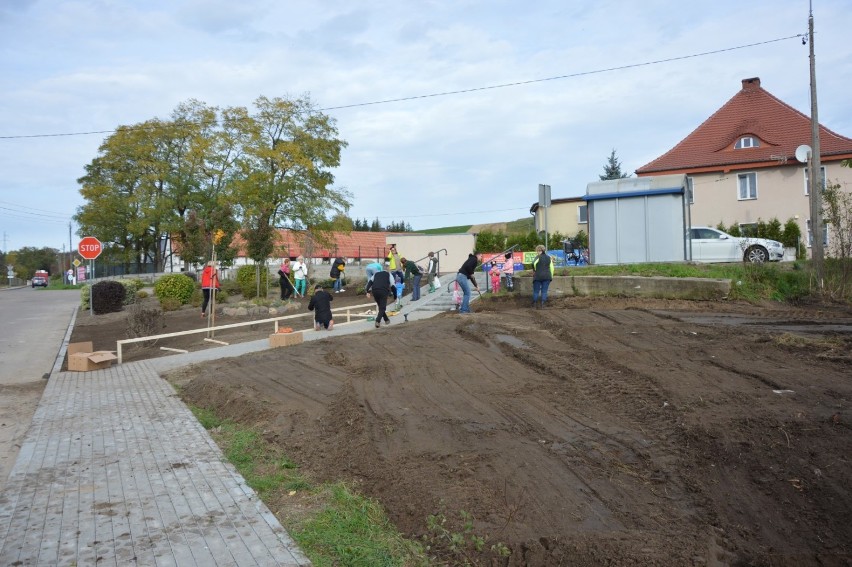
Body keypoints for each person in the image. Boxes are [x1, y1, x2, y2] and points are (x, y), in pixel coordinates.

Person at [365, 263, 397, 328]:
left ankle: (386, 319)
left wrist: (367, 291)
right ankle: (377, 321)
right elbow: (393, 286)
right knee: (383, 308)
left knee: (381, 307)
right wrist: (395, 296)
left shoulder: (376, 274)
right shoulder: (389, 274)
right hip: (383, 291)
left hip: (375, 291)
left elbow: (370, 282)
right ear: (388, 269)